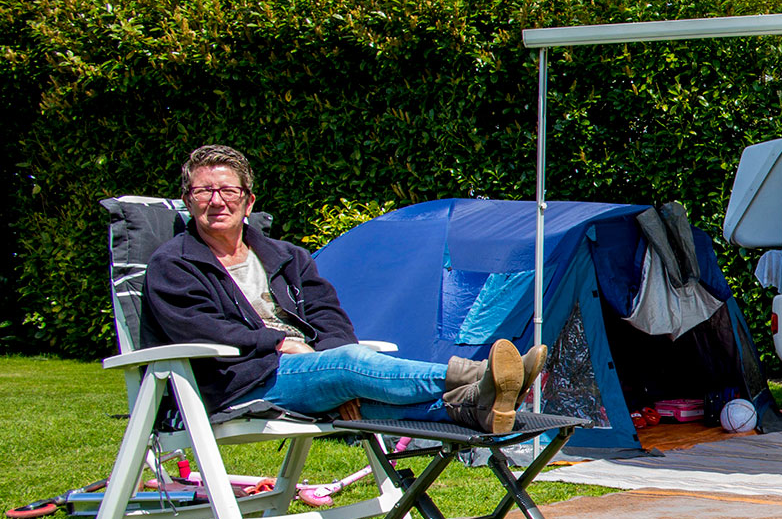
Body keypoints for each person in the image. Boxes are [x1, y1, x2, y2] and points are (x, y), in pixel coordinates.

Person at [141, 144, 544, 432]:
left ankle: (483, 407)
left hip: (310, 370)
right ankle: (480, 375)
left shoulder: (285, 256)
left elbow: (328, 315)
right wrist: (280, 345)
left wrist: (332, 371)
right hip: (239, 381)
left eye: (228, 191)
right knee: (355, 362)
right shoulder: (173, 264)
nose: (216, 201)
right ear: (187, 201)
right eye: (203, 191)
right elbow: (201, 331)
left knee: (367, 395)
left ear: (248, 202)